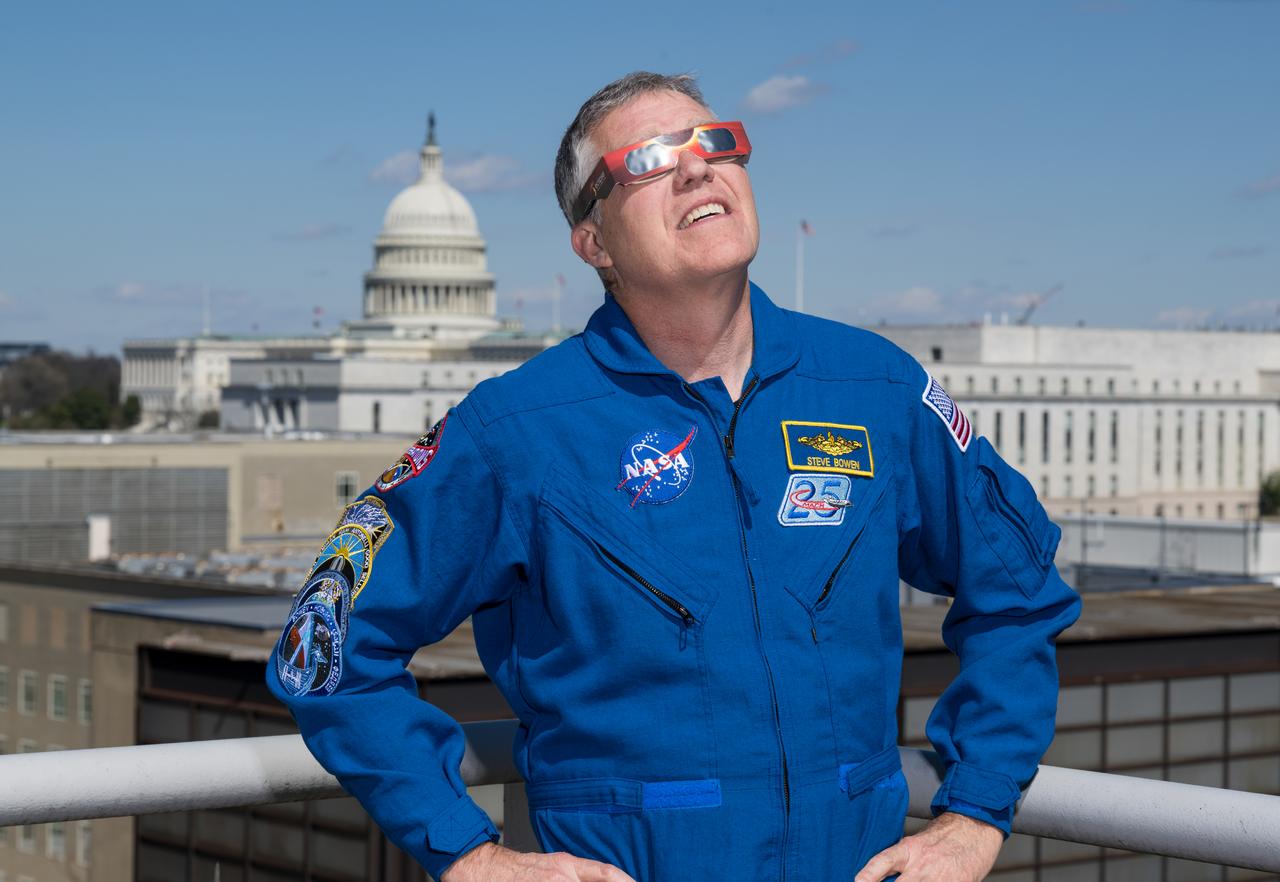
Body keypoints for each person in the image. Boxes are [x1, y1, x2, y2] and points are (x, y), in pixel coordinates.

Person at [267, 71, 1081, 882]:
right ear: (594, 242)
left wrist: (976, 812)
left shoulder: (875, 388)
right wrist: (468, 854)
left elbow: (1018, 591)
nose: (696, 167)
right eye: (649, 160)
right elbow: (326, 649)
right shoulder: (516, 431)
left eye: (716, 143)